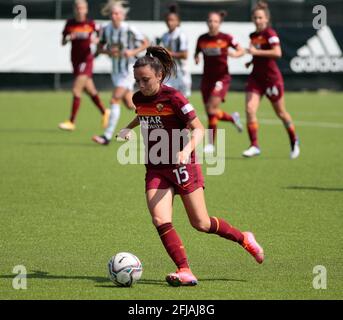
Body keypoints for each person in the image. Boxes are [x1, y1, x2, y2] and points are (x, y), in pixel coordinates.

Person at [117, 46, 264, 286]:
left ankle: (244, 238)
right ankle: (184, 269)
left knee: (201, 223)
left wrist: (185, 151)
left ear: (159, 76)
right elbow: (142, 113)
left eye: (145, 80)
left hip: (183, 165)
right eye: (137, 81)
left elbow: (199, 129)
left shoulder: (175, 98)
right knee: (159, 219)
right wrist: (127, 128)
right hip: (156, 167)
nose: (140, 85)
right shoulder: (138, 98)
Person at [242, 1, 300, 159]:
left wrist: (255, 53)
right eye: (255, 17)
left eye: (260, 17)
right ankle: (254, 145)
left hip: (271, 79)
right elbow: (258, 52)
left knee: (281, 113)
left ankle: (294, 140)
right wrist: (251, 60)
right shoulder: (253, 36)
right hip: (256, 78)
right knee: (249, 109)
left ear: (266, 19)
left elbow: (277, 52)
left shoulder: (270, 34)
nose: (257, 20)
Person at [92, 0, 149, 145]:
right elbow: (99, 48)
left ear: (123, 15)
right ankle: (155, 118)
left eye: (117, 13)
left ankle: (107, 136)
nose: (114, 16)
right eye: (112, 13)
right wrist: (107, 51)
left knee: (114, 99)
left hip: (129, 71)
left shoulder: (129, 28)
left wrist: (132, 52)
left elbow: (146, 42)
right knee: (131, 105)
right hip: (116, 72)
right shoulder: (106, 29)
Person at [194, 11, 245, 154]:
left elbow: (241, 50)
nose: (212, 23)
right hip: (206, 80)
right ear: (207, 22)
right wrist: (196, 57)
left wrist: (236, 54)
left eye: (215, 21)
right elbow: (197, 52)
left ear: (219, 23)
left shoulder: (226, 38)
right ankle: (233, 118)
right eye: (210, 21)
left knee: (211, 109)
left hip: (221, 78)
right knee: (211, 112)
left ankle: (210, 144)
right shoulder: (202, 39)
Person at [59, 0, 109, 131]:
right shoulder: (70, 24)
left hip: (86, 60)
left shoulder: (91, 24)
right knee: (90, 90)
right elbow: (63, 42)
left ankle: (71, 121)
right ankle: (105, 112)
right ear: (74, 9)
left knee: (76, 90)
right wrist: (68, 38)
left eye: (82, 8)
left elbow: (102, 38)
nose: (80, 10)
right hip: (75, 61)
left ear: (86, 10)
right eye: (77, 7)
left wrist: (98, 43)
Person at [158, 3, 192, 97]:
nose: (170, 22)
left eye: (172, 20)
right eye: (168, 20)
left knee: (182, 103)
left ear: (178, 21)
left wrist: (168, 53)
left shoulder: (181, 35)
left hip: (181, 73)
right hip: (169, 74)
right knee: (165, 99)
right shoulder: (165, 36)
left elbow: (185, 55)